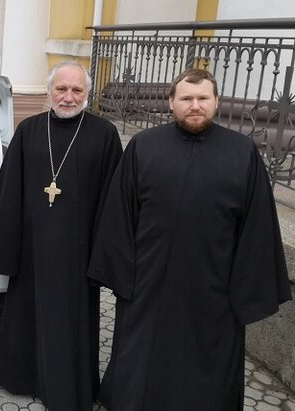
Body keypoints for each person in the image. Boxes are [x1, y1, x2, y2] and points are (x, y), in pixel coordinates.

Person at [87, 68, 292, 410]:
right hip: (148, 284)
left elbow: (257, 229)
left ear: (216, 102)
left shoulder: (243, 153)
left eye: (202, 98)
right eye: (186, 98)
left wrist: (243, 292)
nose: (194, 105)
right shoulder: (143, 146)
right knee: (140, 364)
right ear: (171, 103)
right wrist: (122, 277)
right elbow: (118, 215)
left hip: (214, 288)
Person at [0, 61, 123, 410]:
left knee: (70, 321)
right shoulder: (29, 130)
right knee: (26, 311)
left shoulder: (104, 134)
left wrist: (106, 255)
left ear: (87, 94)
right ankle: (21, 376)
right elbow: (9, 190)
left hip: (79, 250)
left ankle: (69, 384)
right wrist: (5, 243)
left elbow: (114, 199)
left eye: (77, 91)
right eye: (61, 89)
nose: (68, 97)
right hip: (33, 246)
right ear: (49, 91)